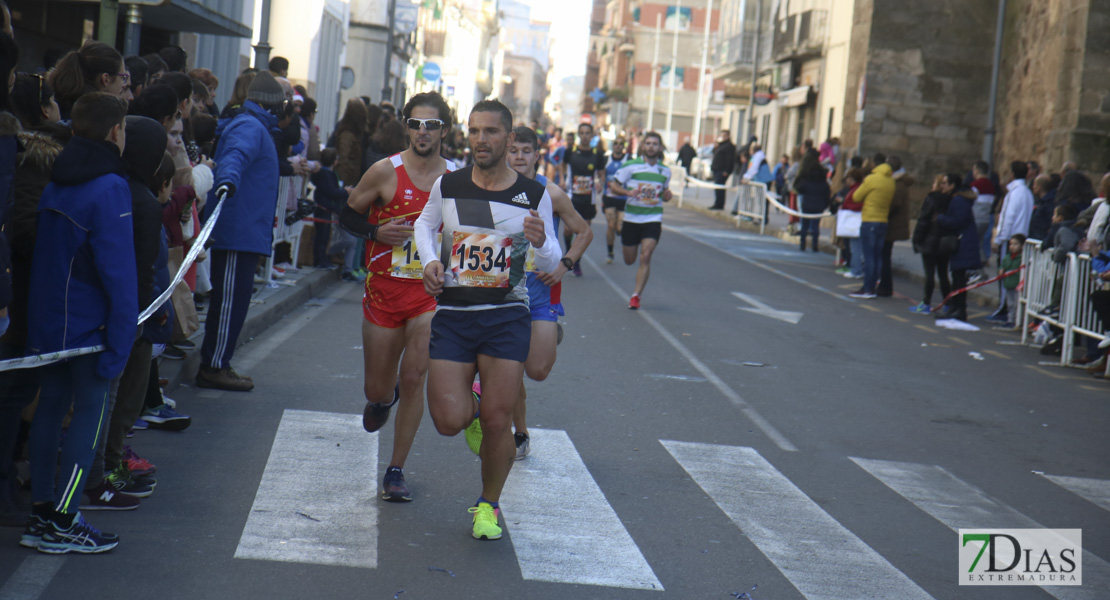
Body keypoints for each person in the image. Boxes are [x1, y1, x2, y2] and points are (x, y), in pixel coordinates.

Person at [413, 99, 560, 540]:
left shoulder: (534, 196)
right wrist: (427, 263)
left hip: (506, 317)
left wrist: (542, 243)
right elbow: (425, 225)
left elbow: (550, 258)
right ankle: (473, 405)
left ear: (509, 138)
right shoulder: (449, 184)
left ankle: (488, 505)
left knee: (500, 421)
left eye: (491, 132)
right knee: (447, 420)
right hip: (455, 315)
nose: (481, 139)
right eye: (475, 131)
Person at [22, 92, 135, 554]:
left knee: (49, 410)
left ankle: (44, 513)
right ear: (115, 132)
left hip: (49, 320)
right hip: (91, 326)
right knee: (88, 417)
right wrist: (122, 337)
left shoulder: (55, 182)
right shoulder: (110, 186)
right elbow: (118, 271)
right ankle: (67, 518)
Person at [340, 91, 456, 502]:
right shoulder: (384, 171)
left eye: (432, 125)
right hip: (384, 292)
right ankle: (381, 399)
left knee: (414, 378)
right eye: (416, 124)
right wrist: (375, 232)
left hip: (429, 296)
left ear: (444, 129)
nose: (423, 132)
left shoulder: (458, 179)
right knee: (379, 389)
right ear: (406, 126)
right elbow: (348, 212)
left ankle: (396, 469)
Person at [194, 71, 285, 391]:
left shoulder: (256, 126)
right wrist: (228, 181)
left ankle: (219, 362)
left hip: (245, 229)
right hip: (237, 230)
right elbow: (235, 157)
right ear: (272, 105)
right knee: (230, 301)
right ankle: (214, 365)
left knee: (235, 301)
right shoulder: (250, 126)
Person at [507, 126, 593, 460]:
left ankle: (547, 332)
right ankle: (520, 431)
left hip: (541, 287)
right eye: (513, 150)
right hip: (502, 289)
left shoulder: (551, 193)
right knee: (510, 363)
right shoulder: (488, 186)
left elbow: (584, 232)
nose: (518, 157)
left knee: (537, 370)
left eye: (525, 151)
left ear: (536, 156)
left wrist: (564, 265)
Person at [608, 131, 672, 310]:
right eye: (648, 143)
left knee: (646, 256)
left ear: (660, 148)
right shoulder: (631, 166)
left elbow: (664, 194)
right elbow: (613, 185)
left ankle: (636, 296)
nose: (651, 147)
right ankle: (635, 289)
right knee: (629, 259)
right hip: (631, 218)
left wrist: (667, 195)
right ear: (643, 146)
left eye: (655, 144)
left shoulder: (665, 171)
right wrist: (628, 193)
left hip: (653, 218)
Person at [988, 161, 1034, 322]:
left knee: (1006, 278)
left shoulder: (1014, 193)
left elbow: (1008, 218)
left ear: (1012, 174)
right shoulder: (1027, 192)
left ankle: (1004, 309)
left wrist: (999, 239)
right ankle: (1011, 312)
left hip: (1011, 240)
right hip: (1022, 238)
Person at [561, 121, 606, 276]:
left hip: (588, 198)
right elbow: (563, 165)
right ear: (579, 135)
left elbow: (601, 173)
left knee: (583, 232)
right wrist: (562, 179)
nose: (585, 136)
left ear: (591, 135)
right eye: (582, 133)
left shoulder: (597, 155)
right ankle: (569, 251)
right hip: (572, 197)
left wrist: (600, 182)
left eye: (588, 133)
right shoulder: (570, 151)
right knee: (567, 230)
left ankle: (576, 261)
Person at [934, 174, 979, 321]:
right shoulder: (959, 200)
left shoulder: (959, 201)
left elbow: (957, 221)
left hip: (963, 244)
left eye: (946, 183)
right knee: (957, 278)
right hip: (963, 243)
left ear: (953, 185)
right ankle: (955, 308)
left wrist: (941, 218)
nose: (943, 186)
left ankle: (959, 309)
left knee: (959, 279)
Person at [849, 153, 895, 299]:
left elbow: (856, 196)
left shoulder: (871, 179)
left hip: (870, 220)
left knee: (869, 256)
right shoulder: (890, 181)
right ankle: (874, 286)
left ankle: (867, 288)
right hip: (883, 221)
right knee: (877, 256)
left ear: (874, 164)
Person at [47, 41, 128, 120]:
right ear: (105, 79)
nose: (124, 85)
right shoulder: (96, 122)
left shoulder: (56, 107)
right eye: (123, 77)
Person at [909, 174, 951, 314]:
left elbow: (923, 220)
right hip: (944, 241)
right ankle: (947, 303)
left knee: (929, 274)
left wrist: (916, 239)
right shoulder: (950, 200)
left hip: (930, 240)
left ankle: (926, 303)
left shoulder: (931, 198)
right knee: (943, 274)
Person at [309, 148, 352, 268]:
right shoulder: (328, 175)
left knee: (323, 237)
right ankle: (320, 260)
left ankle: (322, 259)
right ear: (334, 162)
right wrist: (345, 191)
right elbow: (332, 192)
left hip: (322, 208)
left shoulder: (320, 174)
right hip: (324, 208)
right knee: (322, 238)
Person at [878, 156, 913, 296]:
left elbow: (895, 204)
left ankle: (885, 286)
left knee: (885, 255)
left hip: (892, 223)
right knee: (885, 255)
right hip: (893, 222)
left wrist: (884, 214)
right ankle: (885, 285)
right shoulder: (898, 182)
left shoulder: (898, 183)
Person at [792, 149, 829, 252]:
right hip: (819, 201)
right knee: (816, 225)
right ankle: (814, 245)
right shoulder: (821, 172)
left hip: (807, 200)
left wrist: (804, 189)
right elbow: (826, 188)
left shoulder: (805, 171)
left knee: (805, 224)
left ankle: (802, 244)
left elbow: (798, 185)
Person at [601, 137, 630, 263]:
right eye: (616, 143)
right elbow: (601, 174)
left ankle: (620, 232)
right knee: (611, 225)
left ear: (623, 146)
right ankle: (610, 252)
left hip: (623, 197)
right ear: (613, 146)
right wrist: (600, 182)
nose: (618, 146)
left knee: (620, 227)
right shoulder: (606, 159)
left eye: (621, 144)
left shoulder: (628, 160)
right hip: (609, 197)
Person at [1001, 234, 1026, 328]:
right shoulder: (1007, 257)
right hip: (1008, 284)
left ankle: (1017, 320)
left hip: (1017, 285)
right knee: (1010, 304)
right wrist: (1001, 269)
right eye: (1011, 244)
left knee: (1017, 304)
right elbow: (1003, 265)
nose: (1012, 246)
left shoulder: (1022, 258)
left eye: (1016, 244)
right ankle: (1010, 319)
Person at [709, 130, 736, 210]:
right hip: (717, 169)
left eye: (724, 136)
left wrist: (726, 171)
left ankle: (719, 204)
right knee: (717, 188)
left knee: (720, 188)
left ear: (728, 136)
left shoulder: (729, 146)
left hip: (722, 171)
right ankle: (717, 203)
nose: (722, 137)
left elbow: (730, 160)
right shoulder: (721, 145)